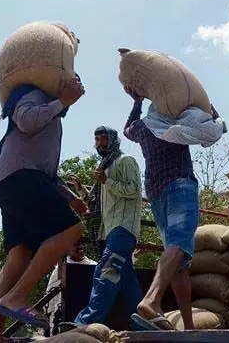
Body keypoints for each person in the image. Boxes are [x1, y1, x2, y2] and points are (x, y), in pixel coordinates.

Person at [0, 77, 87, 342]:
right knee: (72, 228)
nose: (77, 86)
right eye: (74, 81)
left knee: (20, 255)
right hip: (20, 176)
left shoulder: (53, 117)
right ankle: (18, 295)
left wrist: (70, 197)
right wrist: (62, 102)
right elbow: (26, 119)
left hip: (12, 179)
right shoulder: (33, 93)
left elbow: (48, 173)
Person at [123, 86, 199, 330]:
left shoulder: (143, 127)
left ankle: (188, 326)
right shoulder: (174, 127)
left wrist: (136, 103)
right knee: (179, 245)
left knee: (178, 263)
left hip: (156, 193)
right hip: (180, 186)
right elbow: (208, 129)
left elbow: (127, 129)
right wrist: (207, 108)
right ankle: (152, 300)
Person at [70, 126, 144, 326]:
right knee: (127, 284)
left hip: (123, 229)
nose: (100, 143)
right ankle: (142, 322)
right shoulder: (105, 167)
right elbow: (99, 202)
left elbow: (134, 190)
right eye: (97, 139)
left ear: (113, 140)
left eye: (104, 139)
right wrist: (82, 191)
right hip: (109, 232)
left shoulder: (125, 161)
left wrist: (107, 181)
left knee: (105, 272)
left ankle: (85, 323)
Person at [45, 239, 97, 334]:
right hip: (66, 314)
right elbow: (51, 298)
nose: (81, 247)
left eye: (83, 243)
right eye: (77, 244)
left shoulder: (94, 266)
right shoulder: (60, 269)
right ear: (68, 249)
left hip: (88, 312)